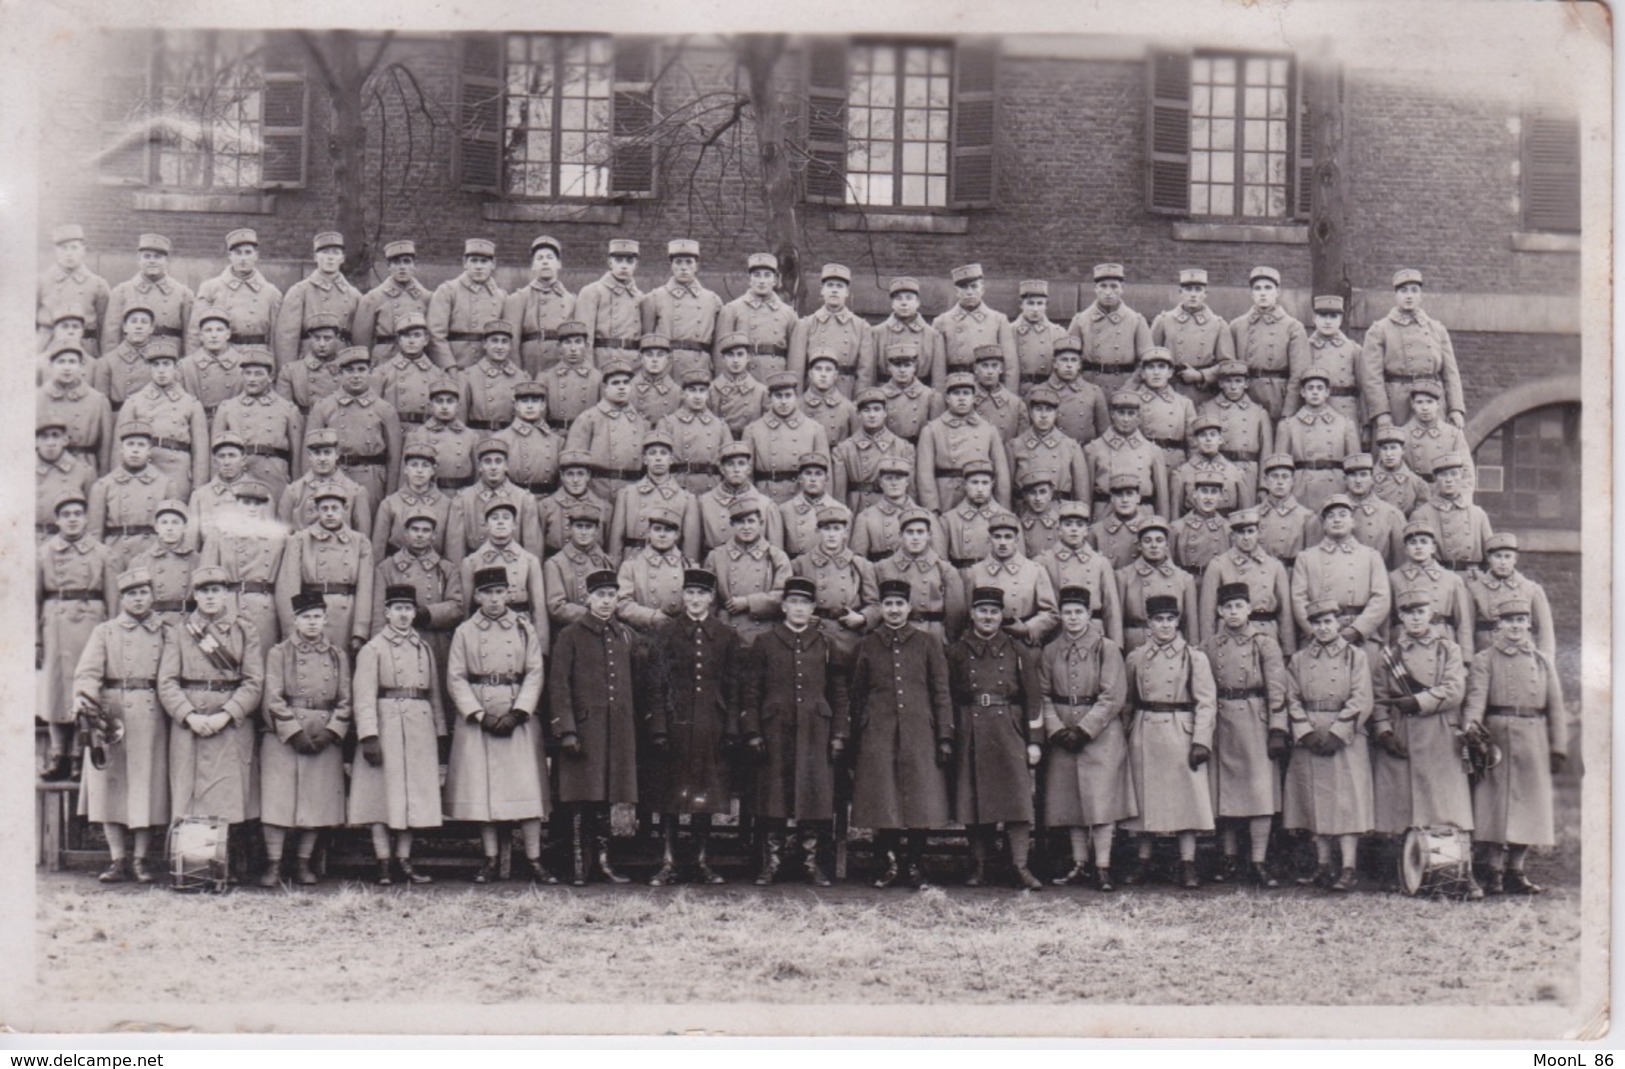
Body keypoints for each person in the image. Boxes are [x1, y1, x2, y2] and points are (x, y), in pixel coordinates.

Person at [738, 576, 850, 885]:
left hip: (817, 730)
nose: (799, 608)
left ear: (813, 608)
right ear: (784, 606)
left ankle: (810, 862)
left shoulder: (827, 643)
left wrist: (839, 733)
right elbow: (751, 692)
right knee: (774, 795)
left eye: (805, 603)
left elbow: (839, 692)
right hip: (776, 730)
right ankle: (771, 862)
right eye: (793, 602)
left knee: (813, 796)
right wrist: (753, 731)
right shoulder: (765, 642)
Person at [446, 566, 553, 884]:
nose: (494, 599)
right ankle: (490, 859)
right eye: (487, 593)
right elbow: (456, 677)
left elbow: (535, 671)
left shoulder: (524, 628)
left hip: (517, 713)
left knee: (527, 788)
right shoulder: (465, 631)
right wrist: (479, 715)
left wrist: (519, 712)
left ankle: (534, 859)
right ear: (478, 596)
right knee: (484, 789)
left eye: (499, 592)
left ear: (509, 593)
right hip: (480, 716)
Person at [1370, 588, 1478, 898]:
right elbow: (1379, 699)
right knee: (1401, 805)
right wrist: (1383, 731)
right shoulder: (1389, 655)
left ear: (1430, 614)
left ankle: (1464, 873)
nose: (1415, 618)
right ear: (1400, 617)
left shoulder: (1449, 649)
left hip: (1441, 730)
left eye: (1421, 612)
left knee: (1450, 806)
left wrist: (1417, 702)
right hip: (1402, 733)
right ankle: (1405, 871)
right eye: (1408, 613)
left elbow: (1454, 690)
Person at [849, 579, 955, 889]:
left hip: (920, 730)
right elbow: (858, 694)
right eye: (888, 604)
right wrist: (860, 733)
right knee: (884, 799)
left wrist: (945, 734)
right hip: (879, 732)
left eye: (899, 604)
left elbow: (941, 691)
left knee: (920, 799)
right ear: (880, 609)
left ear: (909, 607)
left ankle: (915, 865)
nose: (894, 610)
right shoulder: (868, 644)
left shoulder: (927, 643)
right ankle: (889, 864)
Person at [644, 568, 744, 886]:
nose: (696, 599)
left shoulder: (726, 636)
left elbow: (733, 687)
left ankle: (702, 860)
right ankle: (669, 861)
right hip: (675, 726)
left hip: (710, 726)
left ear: (711, 598)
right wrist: (658, 728)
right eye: (690, 593)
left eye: (702, 594)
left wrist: (730, 727)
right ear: (683, 596)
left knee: (706, 795)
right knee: (670, 796)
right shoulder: (666, 634)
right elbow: (656, 686)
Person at [1463, 595, 1569, 895]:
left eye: (1521, 620)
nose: (1515, 626)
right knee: (1494, 805)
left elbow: (1556, 708)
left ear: (1528, 625)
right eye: (1509, 621)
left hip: (1534, 737)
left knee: (1530, 806)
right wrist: (1471, 733)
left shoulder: (1542, 661)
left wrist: (1558, 747)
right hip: (1497, 737)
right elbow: (1475, 702)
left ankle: (1516, 871)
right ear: (1499, 625)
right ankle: (1493, 870)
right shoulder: (1486, 659)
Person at [72, 567, 169, 883]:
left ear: (152, 595)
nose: (138, 599)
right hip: (110, 714)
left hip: (152, 715)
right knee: (109, 787)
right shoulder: (105, 631)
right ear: (123, 598)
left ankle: (140, 860)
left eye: (143, 593)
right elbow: (87, 673)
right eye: (131, 594)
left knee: (145, 787)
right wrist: (86, 702)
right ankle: (117, 859)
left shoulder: (167, 631)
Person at [349, 582, 447, 885]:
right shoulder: (373, 649)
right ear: (387, 612)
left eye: (408, 609)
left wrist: (440, 733)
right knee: (382, 797)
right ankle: (383, 862)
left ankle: (404, 860)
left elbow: (434, 696)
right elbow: (363, 696)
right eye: (398, 609)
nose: (403, 615)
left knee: (412, 798)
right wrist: (368, 736)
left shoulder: (423, 647)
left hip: (419, 727)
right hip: (386, 724)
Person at [947, 586, 1045, 890]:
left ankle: (1020, 865)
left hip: (1009, 728)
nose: (988, 617)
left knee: (1016, 801)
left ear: (1001, 615)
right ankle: (978, 866)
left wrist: (1034, 741)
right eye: (982, 611)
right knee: (974, 801)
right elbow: (947, 697)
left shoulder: (1017, 650)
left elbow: (1033, 697)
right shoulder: (957, 651)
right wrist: (949, 736)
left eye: (993, 611)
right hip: (971, 728)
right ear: (972, 614)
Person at [549, 568, 642, 886]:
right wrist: (566, 730)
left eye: (611, 596)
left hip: (616, 732)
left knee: (606, 798)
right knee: (579, 799)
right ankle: (578, 864)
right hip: (584, 732)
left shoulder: (625, 635)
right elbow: (559, 685)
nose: (606, 602)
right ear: (587, 598)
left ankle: (603, 862)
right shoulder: (570, 635)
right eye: (600, 595)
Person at [1121, 593, 1218, 889]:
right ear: (1149, 624)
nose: (1165, 625)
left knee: (1185, 800)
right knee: (1146, 800)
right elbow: (1127, 702)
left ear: (1178, 622)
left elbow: (1206, 702)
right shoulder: (1136, 657)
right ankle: (1144, 860)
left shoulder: (1194, 657)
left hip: (1180, 731)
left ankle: (1187, 862)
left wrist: (1201, 740)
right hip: (1145, 729)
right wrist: (1125, 737)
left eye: (1170, 619)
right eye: (1158, 620)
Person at [158, 565, 265, 833]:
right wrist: (189, 715)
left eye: (216, 590)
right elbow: (167, 682)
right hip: (190, 725)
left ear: (226, 594)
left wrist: (226, 714)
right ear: (195, 594)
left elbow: (254, 681)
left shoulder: (244, 630)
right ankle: (193, 865)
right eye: (203, 591)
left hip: (229, 724)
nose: (209, 597)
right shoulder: (181, 631)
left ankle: (228, 862)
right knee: (191, 798)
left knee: (229, 796)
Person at [257, 588, 353, 887]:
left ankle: (302, 863)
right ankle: (273, 864)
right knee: (278, 800)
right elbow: (271, 697)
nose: (312, 623)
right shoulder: (279, 652)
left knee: (316, 800)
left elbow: (346, 700)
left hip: (322, 733)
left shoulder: (337, 655)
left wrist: (332, 730)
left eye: (317, 617)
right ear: (295, 621)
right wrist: (292, 731)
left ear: (326, 619)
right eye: (305, 617)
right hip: (285, 735)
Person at [1039, 585, 1132, 890]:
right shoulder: (1051, 650)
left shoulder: (1106, 648)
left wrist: (1085, 729)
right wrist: (1056, 729)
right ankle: (1079, 863)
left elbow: (1113, 696)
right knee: (1071, 800)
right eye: (1067, 612)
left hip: (1100, 733)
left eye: (1079, 612)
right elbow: (1043, 694)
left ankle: (1102, 865)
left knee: (1101, 799)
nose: (1073, 618)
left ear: (1089, 614)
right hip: (1063, 731)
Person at [1282, 597, 1376, 892]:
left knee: (1346, 802)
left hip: (1344, 735)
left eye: (1328, 622)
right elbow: (1291, 697)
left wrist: (1338, 732)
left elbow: (1362, 697)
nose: (1323, 628)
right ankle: (1323, 865)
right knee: (1315, 801)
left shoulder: (1354, 656)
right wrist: (1304, 731)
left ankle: (1348, 867)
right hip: (1310, 733)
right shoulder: (1299, 659)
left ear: (1338, 623)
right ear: (1310, 626)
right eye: (1317, 623)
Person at [1200, 582, 1289, 887]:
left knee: (1259, 792)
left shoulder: (1264, 643)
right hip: (1222, 717)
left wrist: (1277, 727)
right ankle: (1228, 858)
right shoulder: (1209, 646)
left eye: (1239, 606)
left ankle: (1259, 860)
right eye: (1228, 607)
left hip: (1254, 717)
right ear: (1219, 611)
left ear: (1249, 609)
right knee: (1225, 793)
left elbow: (1277, 689)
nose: (1234, 613)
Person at [37, 490, 114, 780]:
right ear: (57, 520)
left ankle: (81, 755)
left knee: (85, 689)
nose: (72, 520)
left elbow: (113, 598)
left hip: (91, 621)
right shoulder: (44, 553)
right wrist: (36, 639)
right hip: (54, 622)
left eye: (77, 514)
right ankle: (59, 754)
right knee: (55, 692)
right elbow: (33, 597)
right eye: (66, 515)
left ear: (85, 518)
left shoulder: (102, 553)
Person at [369, 509, 463, 704]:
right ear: (405, 533)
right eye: (415, 529)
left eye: (426, 530)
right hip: (396, 642)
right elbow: (379, 612)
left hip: (434, 641)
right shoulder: (387, 568)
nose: (420, 534)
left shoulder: (446, 568)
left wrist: (427, 613)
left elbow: (456, 607)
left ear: (434, 535)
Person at [1361, 268, 1465, 434]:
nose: (1409, 296)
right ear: (1395, 295)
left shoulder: (1437, 329)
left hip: (1433, 401)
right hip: (1397, 404)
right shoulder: (1380, 330)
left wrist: (1456, 409)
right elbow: (1372, 379)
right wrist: (1382, 413)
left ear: (1420, 295)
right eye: (1403, 291)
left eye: (1414, 290)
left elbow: (1451, 374)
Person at [275, 485, 374, 659]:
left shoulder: (360, 542)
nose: (329, 513)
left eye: (335, 508)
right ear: (316, 510)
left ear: (345, 509)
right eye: (324, 508)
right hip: (310, 615)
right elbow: (288, 587)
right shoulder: (300, 540)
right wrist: (292, 626)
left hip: (346, 617)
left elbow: (365, 589)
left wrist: (360, 630)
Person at [1291, 494, 1393, 654]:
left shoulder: (1370, 556)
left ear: (1353, 522)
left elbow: (1381, 598)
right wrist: (1315, 630)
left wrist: (1358, 629)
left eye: (1343, 515)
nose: (1337, 520)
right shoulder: (1306, 558)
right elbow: (1299, 599)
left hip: (1360, 636)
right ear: (1323, 525)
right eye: (1330, 516)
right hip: (1320, 633)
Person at [198, 479, 286, 659]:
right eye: (246, 503)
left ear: (264, 506)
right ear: (236, 504)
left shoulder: (279, 539)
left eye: (257, 504)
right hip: (227, 608)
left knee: (260, 661)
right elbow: (206, 578)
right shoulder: (219, 535)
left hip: (263, 610)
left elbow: (285, 584)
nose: (251, 508)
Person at [305, 347, 403, 509]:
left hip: (371, 479)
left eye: (361, 370)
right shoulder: (324, 407)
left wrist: (390, 494)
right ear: (340, 373)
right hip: (333, 477)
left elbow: (394, 458)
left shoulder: (385, 409)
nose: (356, 375)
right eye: (349, 370)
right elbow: (309, 453)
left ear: (370, 372)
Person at [118, 344, 209, 501]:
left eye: (166, 364)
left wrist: (198, 487)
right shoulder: (134, 402)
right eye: (156, 365)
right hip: (144, 468)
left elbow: (200, 451)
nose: (161, 370)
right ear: (150, 368)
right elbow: (119, 447)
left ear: (175, 367)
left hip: (177, 471)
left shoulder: (191, 403)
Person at [212, 348, 303, 502]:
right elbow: (215, 454)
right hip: (238, 476)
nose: (252, 379)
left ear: (270, 377)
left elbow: (297, 456)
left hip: (274, 476)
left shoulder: (287, 409)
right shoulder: (227, 408)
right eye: (248, 373)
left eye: (258, 373)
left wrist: (296, 487)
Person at [1197, 507, 1295, 649]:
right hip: (1228, 635)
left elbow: (1285, 612)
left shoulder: (1274, 565)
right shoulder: (1218, 565)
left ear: (1258, 534)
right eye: (1240, 532)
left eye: (1250, 531)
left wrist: (1288, 648)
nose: (1246, 537)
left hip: (1265, 634)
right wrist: (1207, 646)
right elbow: (1208, 613)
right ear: (1232, 536)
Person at [793, 504, 879, 660]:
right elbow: (790, 601)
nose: (831, 534)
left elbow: (875, 604)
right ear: (818, 532)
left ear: (845, 533)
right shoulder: (801, 564)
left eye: (836, 529)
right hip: (812, 634)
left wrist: (862, 618)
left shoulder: (861, 565)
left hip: (848, 636)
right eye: (826, 529)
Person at [88, 420, 178, 569]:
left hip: (153, 556)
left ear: (149, 450)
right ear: (121, 449)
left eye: (141, 445)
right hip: (116, 555)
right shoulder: (103, 486)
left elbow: (172, 531)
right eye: (130, 444)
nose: (135, 450)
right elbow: (95, 535)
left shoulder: (166, 484)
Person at [962, 509, 1059, 647]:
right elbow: (967, 614)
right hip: (984, 643)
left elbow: (1050, 613)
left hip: (1022, 643)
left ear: (1016, 540)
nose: (1002, 542)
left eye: (1008, 537)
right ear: (989, 540)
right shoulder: (975, 572)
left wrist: (1027, 629)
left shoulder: (1035, 570)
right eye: (997, 537)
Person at [917, 373, 1012, 513]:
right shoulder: (932, 430)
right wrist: (932, 507)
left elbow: (1001, 473)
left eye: (966, 393)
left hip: (981, 495)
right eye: (956, 393)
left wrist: (1003, 508)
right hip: (946, 495)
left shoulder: (988, 430)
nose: (961, 398)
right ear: (947, 398)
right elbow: (925, 475)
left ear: (974, 398)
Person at [1036, 500, 1124, 647]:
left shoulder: (1099, 562)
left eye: (1079, 524)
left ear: (1087, 530)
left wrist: (1116, 646)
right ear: (1059, 529)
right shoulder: (1044, 561)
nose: (1074, 529)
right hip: (1057, 632)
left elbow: (1112, 609)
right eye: (1068, 524)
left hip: (1094, 632)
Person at [706, 500, 793, 646]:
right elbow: (709, 601)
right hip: (726, 631)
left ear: (760, 523)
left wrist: (748, 602)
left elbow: (784, 597)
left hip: (765, 634)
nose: (746, 527)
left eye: (751, 521)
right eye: (740, 522)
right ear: (732, 525)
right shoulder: (716, 557)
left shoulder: (777, 556)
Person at [1275, 366, 1361, 512]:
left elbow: (1355, 466)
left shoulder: (1345, 424)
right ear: (1302, 392)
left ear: (1327, 392)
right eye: (1310, 388)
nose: (1315, 392)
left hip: (1336, 486)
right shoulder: (1288, 425)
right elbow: (1279, 466)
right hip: (1301, 489)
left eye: (1320, 388)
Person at [445, 437, 545, 561]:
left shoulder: (524, 499)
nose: (493, 467)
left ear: (506, 466)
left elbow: (532, 546)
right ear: (480, 466)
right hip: (476, 567)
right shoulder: (463, 499)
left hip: (514, 566)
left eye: (498, 461)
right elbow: (455, 548)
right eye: (487, 461)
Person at [609, 431, 701, 562]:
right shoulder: (627, 494)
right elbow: (616, 542)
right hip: (634, 563)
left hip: (669, 566)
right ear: (645, 459)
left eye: (663, 453)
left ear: (671, 459)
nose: (658, 458)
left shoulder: (686, 499)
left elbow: (690, 549)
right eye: (652, 453)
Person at [187, 228, 282, 355]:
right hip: (221, 354)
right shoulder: (211, 288)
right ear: (230, 256)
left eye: (248, 252)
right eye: (238, 253)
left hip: (258, 356)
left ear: (256, 256)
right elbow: (195, 331)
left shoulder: (271, 292)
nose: (243, 258)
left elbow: (276, 336)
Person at [1229, 265, 1307, 422]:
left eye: (1268, 287)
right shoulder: (1237, 326)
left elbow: (1299, 373)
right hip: (1245, 394)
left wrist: (1289, 409)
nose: (1262, 293)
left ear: (1277, 292)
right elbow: (1228, 366)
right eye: (1257, 288)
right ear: (1251, 293)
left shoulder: (1293, 327)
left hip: (1277, 396)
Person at [639, 239, 724, 382]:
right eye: (678, 262)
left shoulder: (712, 300)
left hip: (699, 367)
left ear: (697, 266)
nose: (684, 267)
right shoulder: (655, 298)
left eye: (689, 262)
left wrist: (719, 376)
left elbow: (718, 346)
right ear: (671, 266)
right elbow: (646, 341)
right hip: (666, 368)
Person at [742, 372, 832, 506]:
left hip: (801, 499)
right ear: (770, 397)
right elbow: (747, 475)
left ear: (796, 397)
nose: (783, 401)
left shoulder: (814, 429)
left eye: (788, 395)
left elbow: (825, 475)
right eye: (778, 396)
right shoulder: (753, 430)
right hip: (765, 498)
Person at [1467, 533, 1557, 666]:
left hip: (1522, 654)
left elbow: (1545, 629)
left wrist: (1546, 657)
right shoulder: (1475, 589)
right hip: (1486, 654)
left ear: (1515, 559)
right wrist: (1469, 660)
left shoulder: (1531, 589)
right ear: (1489, 558)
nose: (1503, 562)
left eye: (1507, 556)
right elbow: (1467, 628)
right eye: (1498, 556)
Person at [274, 231, 361, 369]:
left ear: (342, 258)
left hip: (342, 362)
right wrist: (288, 372)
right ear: (315, 257)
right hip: (308, 362)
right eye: (325, 252)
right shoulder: (300, 291)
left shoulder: (353, 294)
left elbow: (358, 338)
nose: (330, 258)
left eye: (335, 253)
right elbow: (287, 338)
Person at [1389, 520, 1475, 657]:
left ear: (1433, 547)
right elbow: (1388, 621)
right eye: (1413, 543)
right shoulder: (1394, 578)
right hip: (1405, 644)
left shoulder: (1452, 579)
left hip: (1442, 641)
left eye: (1423, 542)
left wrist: (1466, 658)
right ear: (1405, 549)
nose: (1418, 547)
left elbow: (1463, 623)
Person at [1150, 268, 1234, 406]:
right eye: (1189, 289)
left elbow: (1227, 365)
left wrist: (1201, 376)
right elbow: (1149, 357)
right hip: (1169, 389)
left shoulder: (1218, 324)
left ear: (1205, 293)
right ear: (1180, 292)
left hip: (1202, 392)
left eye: (1198, 289)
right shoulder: (1164, 320)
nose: (1193, 294)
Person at [564, 358, 645, 502]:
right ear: (604, 388)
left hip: (632, 494)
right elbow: (573, 462)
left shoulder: (641, 422)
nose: (621, 387)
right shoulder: (589, 418)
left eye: (626, 383)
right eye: (615, 383)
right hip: (598, 492)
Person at [456, 501, 547, 629]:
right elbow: (465, 610)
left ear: (514, 524)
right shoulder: (471, 562)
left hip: (519, 627)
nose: (500, 522)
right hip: (482, 629)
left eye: (506, 517)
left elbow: (539, 609)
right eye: (494, 518)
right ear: (486, 525)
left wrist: (541, 646)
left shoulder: (529, 561)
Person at [1065, 262, 1151, 396]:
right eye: (1103, 286)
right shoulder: (1081, 320)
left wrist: (1132, 384)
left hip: (1124, 386)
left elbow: (1147, 360)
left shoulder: (1136, 320)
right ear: (1095, 288)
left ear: (1122, 288)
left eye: (1114, 286)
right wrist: (1079, 385)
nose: (1108, 292)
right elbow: (1069, 357)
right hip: (1089, 386)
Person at [1082, 389, 1169, 521]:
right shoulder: (1094, 449)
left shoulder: (1152, 450)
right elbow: (1085, 496)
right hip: (1105, 515)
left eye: (1131, 413)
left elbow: (1162, 498)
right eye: (1121, 413)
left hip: (1143, 516)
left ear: (1138, 417)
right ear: (1112, 414)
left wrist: (1162, 525)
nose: (1126, 419)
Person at [1116, 515, 1198, 653]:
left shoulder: (1184, 579)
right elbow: (1117, 619)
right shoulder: (1124, 576)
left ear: (1167, 545)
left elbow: (1191, 624)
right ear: (1139, 545)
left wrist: (1192, 650)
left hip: (1173, 646)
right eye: (1147, 541)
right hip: (1136, 644)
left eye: (1159, 540)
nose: (1154, 545)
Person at [789, 263, 869, 396]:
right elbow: (796, 368)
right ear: (822, 290)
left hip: (846, 393)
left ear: (847, 292)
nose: (834, 290)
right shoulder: (806, 324)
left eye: (839, 286)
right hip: (812, 393)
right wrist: (798, 400)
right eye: (830, 285)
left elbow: (865, 373)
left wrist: (860, 403)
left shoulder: (861, 327)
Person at [715, 253, 797, 383]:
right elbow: (720, 354)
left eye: (767, 275)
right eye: (757, 275)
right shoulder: (732, 309)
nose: (762, 281)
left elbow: (794, 357)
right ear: (750, 279)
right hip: (743, 377)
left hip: (776, 378)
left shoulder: (788, 313)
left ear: (775, 280)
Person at [427, 238, 508, 370]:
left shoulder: (501, 296)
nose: (479, 266)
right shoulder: (448, 291)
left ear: (493, 264)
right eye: (474, 260)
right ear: (465, 263)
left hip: (489, 368)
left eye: (484, 261)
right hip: (457, 365)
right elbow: (435, 333)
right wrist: (449, 366)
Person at [277, 428, 372, 539]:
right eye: (317, 453)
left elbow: (362, 540)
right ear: (309, 456)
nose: (322, 458)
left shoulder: (355, 492)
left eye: (327, 452)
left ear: (336, 454)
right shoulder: (293, 491)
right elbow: (283, 537)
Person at [1286, 295, 1364, 429]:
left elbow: (1364, 388)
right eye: (1322, 316)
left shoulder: (1354, 349)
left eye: (1333, 316)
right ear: (1314, 318)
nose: (1328, 321)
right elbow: (1295, 384)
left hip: (1346, 412)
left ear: (1341, 319)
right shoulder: (1303, 349)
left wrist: (1366, 424)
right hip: (1312, 412)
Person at [1199, 361, 1273, 506]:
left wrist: (1263, 486)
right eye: (1228, 381)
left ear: (1246, 384)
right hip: (1217, 470)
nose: (1233, 387)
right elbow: (1198, 446)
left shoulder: (1258, 412)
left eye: (1238, 381)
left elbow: (1266, 452)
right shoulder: (1207, 409)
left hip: (1248, 472)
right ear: (1220, 384)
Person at [502, 235, 576, 377]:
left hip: (561, 362)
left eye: (550, 257)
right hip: (531, 363)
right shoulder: (519, 298)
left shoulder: (570, 299)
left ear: (559, 264)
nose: (545, 262)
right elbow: (513, 340)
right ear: (533, 265)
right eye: (540, 258)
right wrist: (517, 372)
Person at [1410, 454, 1494, 575]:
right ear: (1435, 478)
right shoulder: (1421, 515)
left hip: (1472, 580)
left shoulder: (1478, 514)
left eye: (1454, 474)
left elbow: (1490, 555)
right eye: (1443, 475)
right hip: (1437, 579)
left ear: (1462, 477)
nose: (1449, 479)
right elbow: (1415, 559)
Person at [121, 498, 197, 630]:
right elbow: (131, 603)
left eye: (175, 523)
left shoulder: (197, 560)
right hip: (152, 626)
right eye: (164, 522)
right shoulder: (140, 561)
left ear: (185, 526)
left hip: (187, 625)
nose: (169, 528)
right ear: (156, 527)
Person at [353, 240, 434, 362]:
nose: (402, 267)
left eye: (406, 261)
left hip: (417, 359)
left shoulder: (427, 297)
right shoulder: (373, 298)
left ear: (414, 266)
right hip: (385, 358)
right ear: (389, 267)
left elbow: (433, 337)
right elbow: (361, 340)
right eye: (396, 262)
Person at [39, 345, 115, 476]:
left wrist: (102, 477)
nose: (67, 367)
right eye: (61, 361)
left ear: (81, 365)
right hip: (45, 469)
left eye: (72, 362)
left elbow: (105, 449)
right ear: (51, 365)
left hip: (85, 468)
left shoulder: (98, 400)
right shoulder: (37, 398)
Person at [615, 504, 691, 634]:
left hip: (680, 634)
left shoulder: (688, 566)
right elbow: (622, 604)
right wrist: (651, 617)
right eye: (657, 529)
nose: (662, 534)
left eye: (668, 530)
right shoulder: (631, 566)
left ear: (677, 535)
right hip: (643, 633)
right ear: (648, 532)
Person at [371, 439, 452, 560]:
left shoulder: (447, 504)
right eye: (414, 465)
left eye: (425, 466)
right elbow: (378, 548)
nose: (419, 471)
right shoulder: (390, 503)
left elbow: (451, 548)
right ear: (405, 469)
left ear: (433, 471)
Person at [850, 456, 942, 564]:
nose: (894, 483)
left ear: (907, 482)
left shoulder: (927, 516)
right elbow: (858, 561)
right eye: (888, 478)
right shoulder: (866, 517)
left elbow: (939, 559)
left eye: (899, 478)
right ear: (880, 483)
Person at [38, 224, 111, 358]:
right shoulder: (41, 282)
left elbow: (105, 326)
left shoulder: (98, 284)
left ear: (83, 250)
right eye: (64, 248)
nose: (69, 253)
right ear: (56, 251)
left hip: (86, 348)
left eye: (74, 247)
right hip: (48, 346)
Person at [1007, 386, 1088, 504]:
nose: (1043, 415)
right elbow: (1007, 491)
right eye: (1038, 409)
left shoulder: (1070, 447)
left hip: (1060, 512)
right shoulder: (1015, 445)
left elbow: (1082, 495)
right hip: (1024, 512)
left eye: (1049, 410)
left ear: (1056, 413)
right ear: (1030, 412)